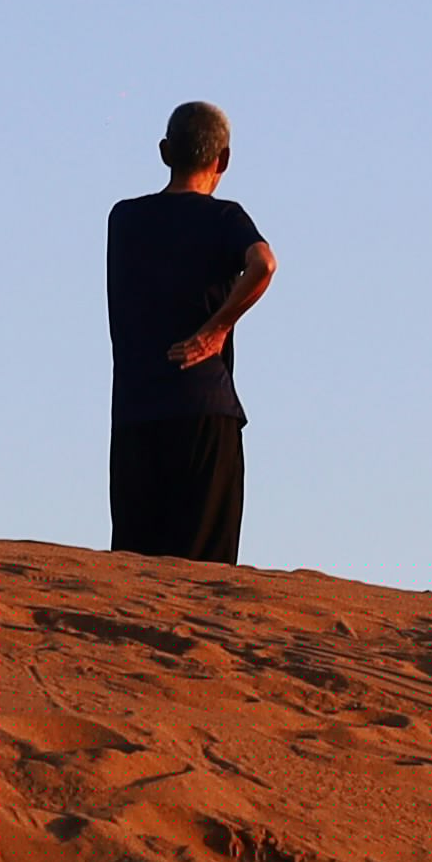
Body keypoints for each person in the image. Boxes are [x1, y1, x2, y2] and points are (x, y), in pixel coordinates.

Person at [104, 101, 275, 561]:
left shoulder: (124, 219)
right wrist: (217, 330)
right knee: (206, 578)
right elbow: (264, 263)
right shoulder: (224, 218)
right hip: (204, 411)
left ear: (164, 152)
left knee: (135, 571)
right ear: (223, 160)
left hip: (136, 418)